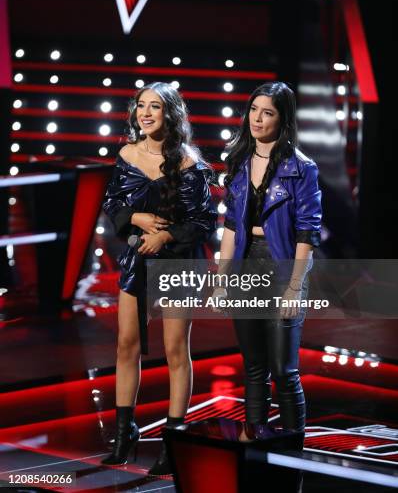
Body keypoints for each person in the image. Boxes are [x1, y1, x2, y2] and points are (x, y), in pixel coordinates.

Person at [102, 82, 217, 473]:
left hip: (178, 262)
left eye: (155, 107)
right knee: (126, 345)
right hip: (138, 258)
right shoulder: (127, 155)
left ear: (171, 114)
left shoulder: (190, 164)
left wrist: (165, 235)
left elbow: (203, 221)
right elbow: (113, 202)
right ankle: (125, 432)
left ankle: (173, 438)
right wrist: (136, 219)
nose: (146, 113)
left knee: (173, 350)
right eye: (141, 107)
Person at [216, 82, 322, 441]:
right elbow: (231, 225)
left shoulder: (302, 168)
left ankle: (294, 445)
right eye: (254, 110)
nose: (257, 119)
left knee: (283, 369)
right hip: (246, 266)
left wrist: (295, 286)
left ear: (283, 119)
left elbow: (308, 233)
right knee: (254, 367)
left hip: (283, 268)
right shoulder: (240, 162)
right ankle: (253, 438)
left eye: (268, 112)